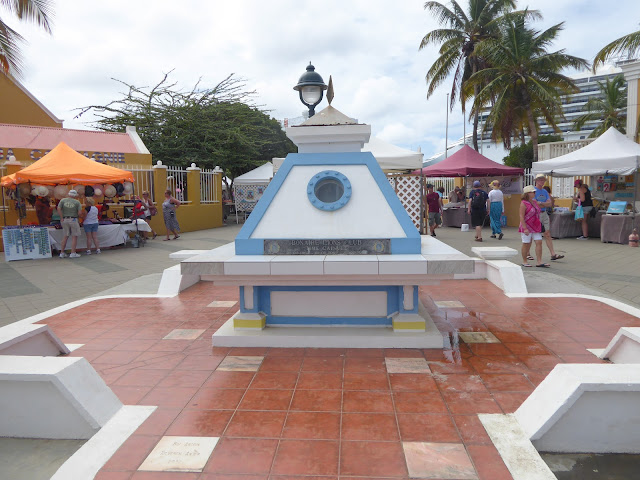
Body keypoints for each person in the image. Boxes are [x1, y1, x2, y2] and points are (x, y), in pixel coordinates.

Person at [534, 174, 564, 260]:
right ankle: (528, 253)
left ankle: (553, 254)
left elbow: (550, 203)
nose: (542, 182)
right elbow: (534, 203)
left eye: (543, 180)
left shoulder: (545, 191)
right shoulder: (533, 191)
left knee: (547, 233)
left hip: (544, 213)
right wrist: (543, 203)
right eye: (540, 180)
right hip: (536, 214)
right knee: (534, 234)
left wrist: (541, 203)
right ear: (536, 181)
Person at [519, 185, 547, 268]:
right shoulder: (523, 203)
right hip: (527, 225)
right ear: (528, 193)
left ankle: (539, 261)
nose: (534, 193)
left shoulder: (534, 202)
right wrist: (525, 228)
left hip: (535, 225)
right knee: (526, 243)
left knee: (539, 242)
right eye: (533, 192)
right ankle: (524, 261)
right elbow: (521, 216)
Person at [57, 189, 82, 258]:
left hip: (64, 219)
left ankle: (62, 252)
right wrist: (80, 217)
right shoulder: (77, 202)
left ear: (68, 194)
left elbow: (58, 209)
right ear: (75, 195)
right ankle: (73, 252)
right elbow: (80, 213)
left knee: (65, 236)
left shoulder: (62, 200)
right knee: (74, 236)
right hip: (73, 219)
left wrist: (61, 217)